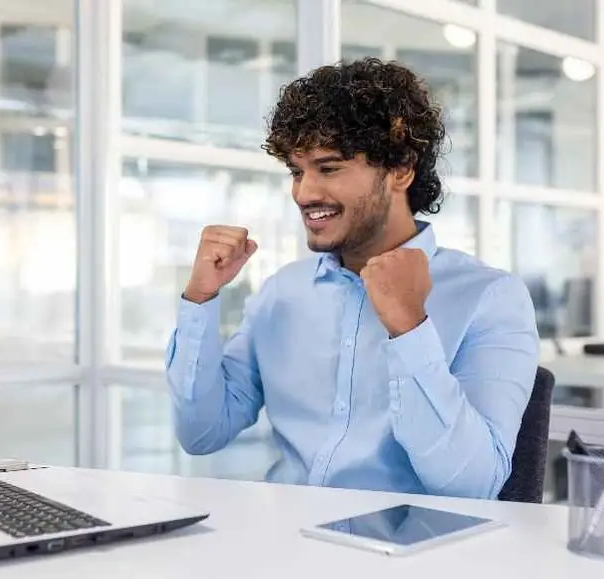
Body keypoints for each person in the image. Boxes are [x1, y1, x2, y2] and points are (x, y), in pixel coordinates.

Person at [164, 58, 540, 500]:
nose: (303, 193)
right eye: (296, 171)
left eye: (329, 168)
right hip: (285, 546)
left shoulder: (491, 298)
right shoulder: (282, 293)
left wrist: (409, 328)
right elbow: (202, 433)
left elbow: (474, 484)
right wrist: (201, 299)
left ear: (400, 169)